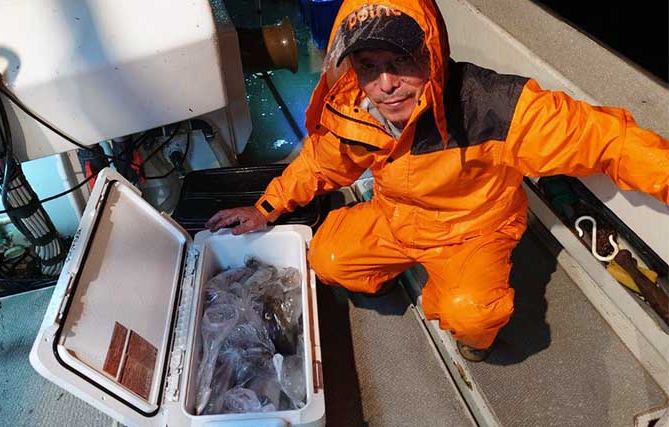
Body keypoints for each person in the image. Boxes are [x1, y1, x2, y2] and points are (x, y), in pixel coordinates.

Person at [206, 0, 669, 362]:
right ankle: (388, 278)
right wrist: (265, 208)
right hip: (398, 218)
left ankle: (474, 341)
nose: (386, 84)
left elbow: (612, 141)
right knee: (327, 257)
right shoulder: (355, 109)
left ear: (431, 50)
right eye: (368, 65)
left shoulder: (498, 107)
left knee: (471, 313)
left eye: (401, 59)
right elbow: (319, 163)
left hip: (474, 231)